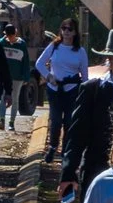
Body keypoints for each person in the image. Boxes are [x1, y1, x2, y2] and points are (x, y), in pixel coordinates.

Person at [57, 29, 113, 203]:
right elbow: (77, 136)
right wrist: (68, 173)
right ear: (109, 61)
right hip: (96, 173)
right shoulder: (91, 90)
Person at [37, 19, 90, 161]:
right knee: (55, 121)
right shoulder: (54, 46)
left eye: (70, 29)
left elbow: (85, 76)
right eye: (64, 28)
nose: (66, 32)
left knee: (68, 121)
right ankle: (52, 147)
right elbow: (39, 64)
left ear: (75, 32)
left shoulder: (80, 51)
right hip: (54, 89)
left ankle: (66, 150)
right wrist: (49, 76)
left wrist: (85, 96)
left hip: (72, 89)